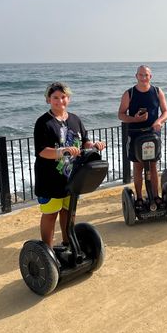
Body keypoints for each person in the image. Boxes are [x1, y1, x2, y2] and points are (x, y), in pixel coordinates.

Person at [34, 82, 106, 248]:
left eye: (63, 97)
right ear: (48, 100)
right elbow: (42, 151)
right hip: (49, 179)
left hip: (72, 177)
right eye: (55, 98)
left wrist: (95, 145)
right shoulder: (43, 123)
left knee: (68, 211)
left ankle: (68, 243)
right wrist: (63, 151)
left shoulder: (75, 119)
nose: (60, 101)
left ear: (69, 98)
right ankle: (48, 251)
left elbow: (84, 142)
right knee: (50, 214)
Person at [118, 65, 167, 208]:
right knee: (138, 166)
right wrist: (135, 120)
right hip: (135, 135)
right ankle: (139, 197)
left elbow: (166, 111)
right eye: (141, 75)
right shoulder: (129, 93)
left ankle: (155, 195)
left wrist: (159, 121)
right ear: (136, 76)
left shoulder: (158, 92)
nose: (143, 78)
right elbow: (121, 114)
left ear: (150, 77)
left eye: (146, 75)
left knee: (153, 166)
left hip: (153, 134)